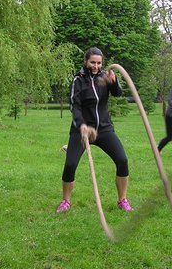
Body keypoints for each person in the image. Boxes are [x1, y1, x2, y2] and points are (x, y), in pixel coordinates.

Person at [56, 47, 132, 213]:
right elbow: (74, 106)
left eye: (98, 63)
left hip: (104, 129)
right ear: (86, 61)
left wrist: (114, 81)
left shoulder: (104, 77)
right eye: (92, 62)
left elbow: (118, 93)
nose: (95, 66)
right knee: (70, 165)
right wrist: (81, 124)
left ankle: (122, 200)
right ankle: (65, 201)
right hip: (82, 130)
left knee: (122, 160)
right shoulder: (78, 80)